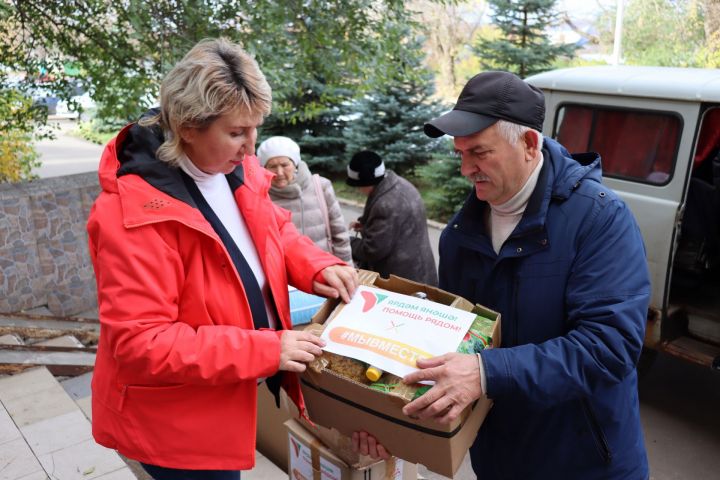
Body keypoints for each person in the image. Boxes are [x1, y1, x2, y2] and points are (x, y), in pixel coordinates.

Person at [358, 71, 651, 479]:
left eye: (479, 153)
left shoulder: (599, 218)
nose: (465, 169)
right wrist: (389, 415)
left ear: (529, 144)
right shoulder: (461, 234)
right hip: (500, 460)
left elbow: (610, 347)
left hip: (585, 463)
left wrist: (486, 372)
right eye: (459, 154)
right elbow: (457, 340)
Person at [86, 38, 357, 480]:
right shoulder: (129, 214)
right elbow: (141, 343)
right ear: (188, 126)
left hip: (226, 389)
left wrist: (316, 264)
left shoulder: (236, 168)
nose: (253, 147)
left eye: (255, 129)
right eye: (237, 132)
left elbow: (273, 231)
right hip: (176, 422)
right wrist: (266, 349)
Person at [346, 150, 438, 286]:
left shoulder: (385, 205)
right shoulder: (398, 184)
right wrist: (367, 226)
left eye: (358, 186)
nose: (358, 190)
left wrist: (348, 241)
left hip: (404, 281)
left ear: (366, 183)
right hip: (420, 270)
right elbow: (396, 227)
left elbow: (372, 250)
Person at [256, 136, 353, 264]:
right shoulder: (260, 196)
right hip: (286, 274)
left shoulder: (321, 186)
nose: (279, 172)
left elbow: (340, 234)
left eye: (285, 165)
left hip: (326, 268)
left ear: (295, 164)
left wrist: (346, 267)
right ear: (264, 168)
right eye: (272, 166)